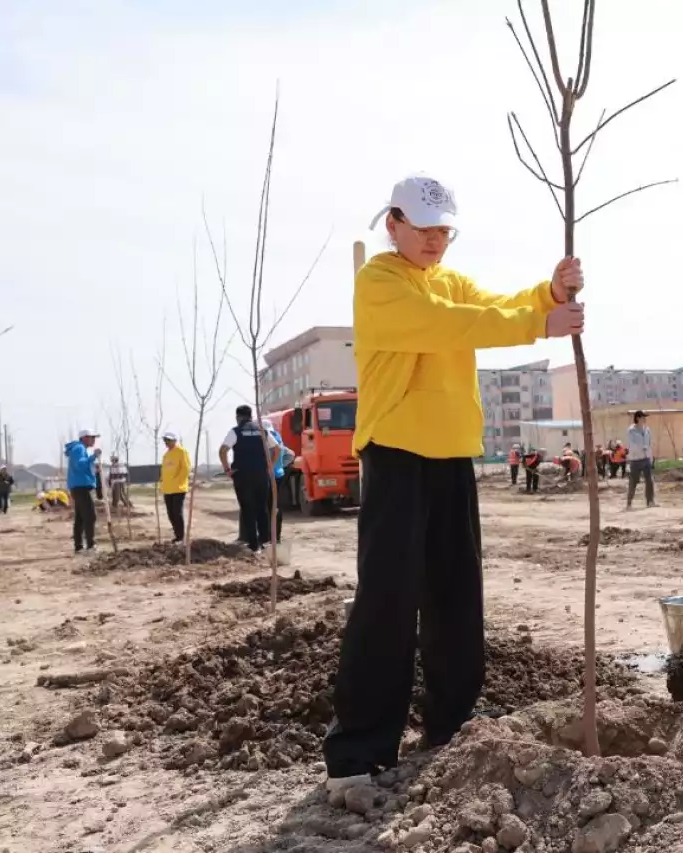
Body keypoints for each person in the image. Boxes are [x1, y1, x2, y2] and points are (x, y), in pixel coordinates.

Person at [323, 174, 584, 791]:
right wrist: (538, 324)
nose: (437, 241)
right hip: (395, 455)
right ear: (393, 224)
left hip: (451, 456)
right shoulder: (380, 283)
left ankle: (454, 725)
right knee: (387, 602)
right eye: (425, 228)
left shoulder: (449, 280)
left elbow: (490, 306)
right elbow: (448, 325)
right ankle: (359, 752)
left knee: (457, 598)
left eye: (445, 230)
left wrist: (546, 294)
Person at [219, 405, 280, 554]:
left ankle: (253, 545)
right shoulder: (262, 431)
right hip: (261, 474)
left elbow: (223, 450)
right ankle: (265, 542)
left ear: (238, 417)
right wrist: (269, 465)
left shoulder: (236, 431)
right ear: (251, 416)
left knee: (248, 509)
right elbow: (277, 448)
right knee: (262, 508)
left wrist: (227, 469)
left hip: (242, 475)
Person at [64, 429, 102, 554]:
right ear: (85, 438)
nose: (94, 440)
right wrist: (93, 457)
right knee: (90, 516)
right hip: (80, 488)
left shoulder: (79, 448)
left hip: (78, 487)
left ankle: (79, 547)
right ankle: (90, 546)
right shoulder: (79, 448)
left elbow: (82, 466)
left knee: (80, 518)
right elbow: (80, 465)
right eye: (92, 437)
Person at [160, 431, 191, 542]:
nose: (166, 442)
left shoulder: (181, 452)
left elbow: (186, 469)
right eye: (165, 440)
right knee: (170, 514)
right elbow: (163, 472)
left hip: (178, 488)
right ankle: (177, 534)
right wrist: (162, 484)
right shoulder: (166, 455)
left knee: (177, 512)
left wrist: (178, 481)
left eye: (169, 440)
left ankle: (181, 537)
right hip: (167, 489)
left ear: (174, 440)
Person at [626, 411, 656, 509]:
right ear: (638, 418)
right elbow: (631, 444)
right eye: (643, 417)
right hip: (635, 459)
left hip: (646, 458)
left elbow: (650, 444)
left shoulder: (647, 429)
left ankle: (650, 501)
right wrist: (641, 447)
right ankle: (629, 503)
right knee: (634, 482)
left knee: (649, 481)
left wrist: (651, 457)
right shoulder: (631, 430)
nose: (645, 419)